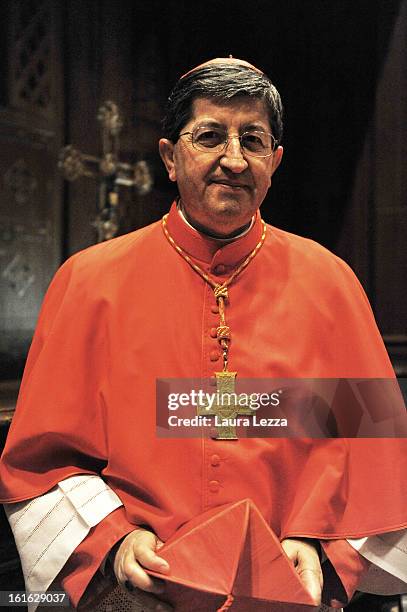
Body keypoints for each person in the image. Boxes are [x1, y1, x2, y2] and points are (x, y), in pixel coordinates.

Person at [0, 57, 406, 612]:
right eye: (210, 136)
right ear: (170, 156)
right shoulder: (91, 282)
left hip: (289, 585)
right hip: (144, 584)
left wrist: (324, 545)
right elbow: (44, 458)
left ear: (275, 160)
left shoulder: (329, 283)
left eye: (254, 140)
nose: (234, 160)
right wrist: (115, 541)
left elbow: (374, 448)